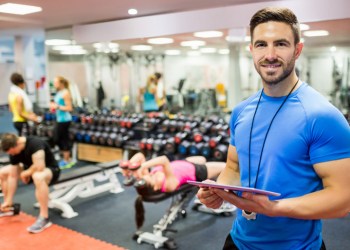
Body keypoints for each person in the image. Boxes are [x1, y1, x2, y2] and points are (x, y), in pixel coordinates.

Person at [196, 7, 350, 250]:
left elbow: (343, 199)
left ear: (297, 49)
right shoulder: (241, 111)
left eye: (280, 44)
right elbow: (234, 168)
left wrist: (275, 208)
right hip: (238, 241)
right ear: (251, 50)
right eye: (261, 44)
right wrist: (217, 190)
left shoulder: (322, 116)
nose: (270, 54)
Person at [0, 133, 60, 233]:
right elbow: (13, 175)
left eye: (12, 152)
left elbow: (40, 167)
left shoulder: (35, 144)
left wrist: (25, 173)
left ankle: (44, 217)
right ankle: (8, 206)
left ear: (17, 144)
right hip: (30, 170)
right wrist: (9, 199)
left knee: (38, 176)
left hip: (50, 170)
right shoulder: (13, 151)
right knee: (3, 172)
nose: (12, 155)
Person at [124, 152, 225, 193]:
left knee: (202, 158)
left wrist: (130, 166)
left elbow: (140, 156)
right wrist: (142, 167)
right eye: (149, 178)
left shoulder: (149, 176)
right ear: (155, 187)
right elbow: (163, 160)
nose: (146, 175)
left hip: (184, 162)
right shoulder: (168, 185)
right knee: (226, 166)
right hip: (196, 171)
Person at [49, 76, 75, 169]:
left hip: (65, 120)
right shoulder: (59, 93)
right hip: (59, 119)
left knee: (61, 139)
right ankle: (67, 158)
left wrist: (57, 107)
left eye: (56, 82)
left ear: (61, 83)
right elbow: (57, 106)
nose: (54, 84)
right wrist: (53, 107)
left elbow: (69, 108)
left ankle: (67, 160)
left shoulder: (66, 93)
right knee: (57, 139)